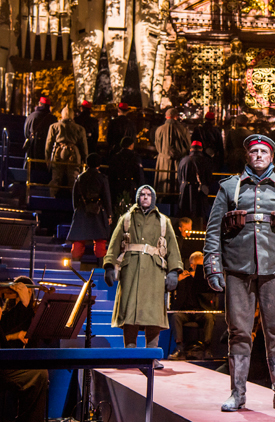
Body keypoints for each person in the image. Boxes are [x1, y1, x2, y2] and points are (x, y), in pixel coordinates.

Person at [204, 133, 275, 414]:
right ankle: (237, 393)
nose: (259, 155)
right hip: (238, 268)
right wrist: (213, 266)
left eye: (264, 151)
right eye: (254, 151)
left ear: (272, 156)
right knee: (238, 332)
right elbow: (214, 230)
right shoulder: (229, 188)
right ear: (247, 156)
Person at [103, 185, 183, 368]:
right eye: (142, 194)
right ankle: (129, 354)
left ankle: (151, 356)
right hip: (131, 271)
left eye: (149, 195)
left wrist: (173, 271)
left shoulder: (163, 221)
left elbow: (172, 247)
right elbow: (114, 243)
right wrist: (109, 266)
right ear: (137, 197)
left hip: (155, 272)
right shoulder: (126, 219)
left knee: (153, 315)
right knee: (129, 313)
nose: (145, 197)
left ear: (153, 198)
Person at [0, 278, 48, 422]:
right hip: (4, 363)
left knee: (39, 373)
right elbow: (5, 329)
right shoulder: (10, 311)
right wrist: (23, 305)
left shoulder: (28, 311)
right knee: (37, 374)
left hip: (11, 361)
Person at [67, 154, 112, 266]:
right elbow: (107, 198)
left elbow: (75, 198)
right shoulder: (102, 178)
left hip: (82, 211)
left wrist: (77, 211)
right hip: (98, 212)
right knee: (100, 240)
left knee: (78, 240)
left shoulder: (80, 177)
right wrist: (109, 215)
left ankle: (74, 266)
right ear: (99, 165)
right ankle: (102, 268)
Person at [169, 251, 215, 360]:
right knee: (176, 317)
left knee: (209, 317)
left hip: (201, 311)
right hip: (185, 312)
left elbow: (209, 298)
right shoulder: (184, 278)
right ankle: (179, 348)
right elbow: (176, 296)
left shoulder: (206, 280)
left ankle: (206, 348)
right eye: (200, 266)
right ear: (192, 265)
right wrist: (180, 280)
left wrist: (199, 281)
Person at [45, 106, 89, 197]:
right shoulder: (80, 128)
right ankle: (74, 200)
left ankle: (52, 198)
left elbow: (48, 144)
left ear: (62, 115)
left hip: (57, 153)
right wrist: (85, 160)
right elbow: (84, 147)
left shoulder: (54, 126)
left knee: (56, 177)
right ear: (73, 116)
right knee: (73, 178)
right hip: (74, 155)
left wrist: (47, 158)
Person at [154, 108, 191, 198]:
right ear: (176, 117)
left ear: (166, 117)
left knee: (163, 187)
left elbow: (157, 145)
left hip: (162, 162)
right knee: (176, 186)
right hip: (178, 162)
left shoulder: (159, 129)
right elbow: (188, 146)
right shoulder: (183, 129)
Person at [178, 140, 214, 227]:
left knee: (185, 214)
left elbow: (179, 177)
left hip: (185, 191)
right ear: (201, 149)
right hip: (199, 192)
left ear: (191, 149)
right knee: (199, 215)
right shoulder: (206, 161)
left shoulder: (183, 160)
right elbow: (209, 178)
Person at [108, 137, 145, 205]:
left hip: (118, 185)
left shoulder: (116, 157)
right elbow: (139, 174)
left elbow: (111, 174)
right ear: (131, 145)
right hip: (131, 185)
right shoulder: (135, 157)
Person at [23, 96, 56, 166]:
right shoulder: (52, 119)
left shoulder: (31, 116)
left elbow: (26, 132)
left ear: (40, 104)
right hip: (46, 149)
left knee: (31, 168)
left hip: (32, 147)